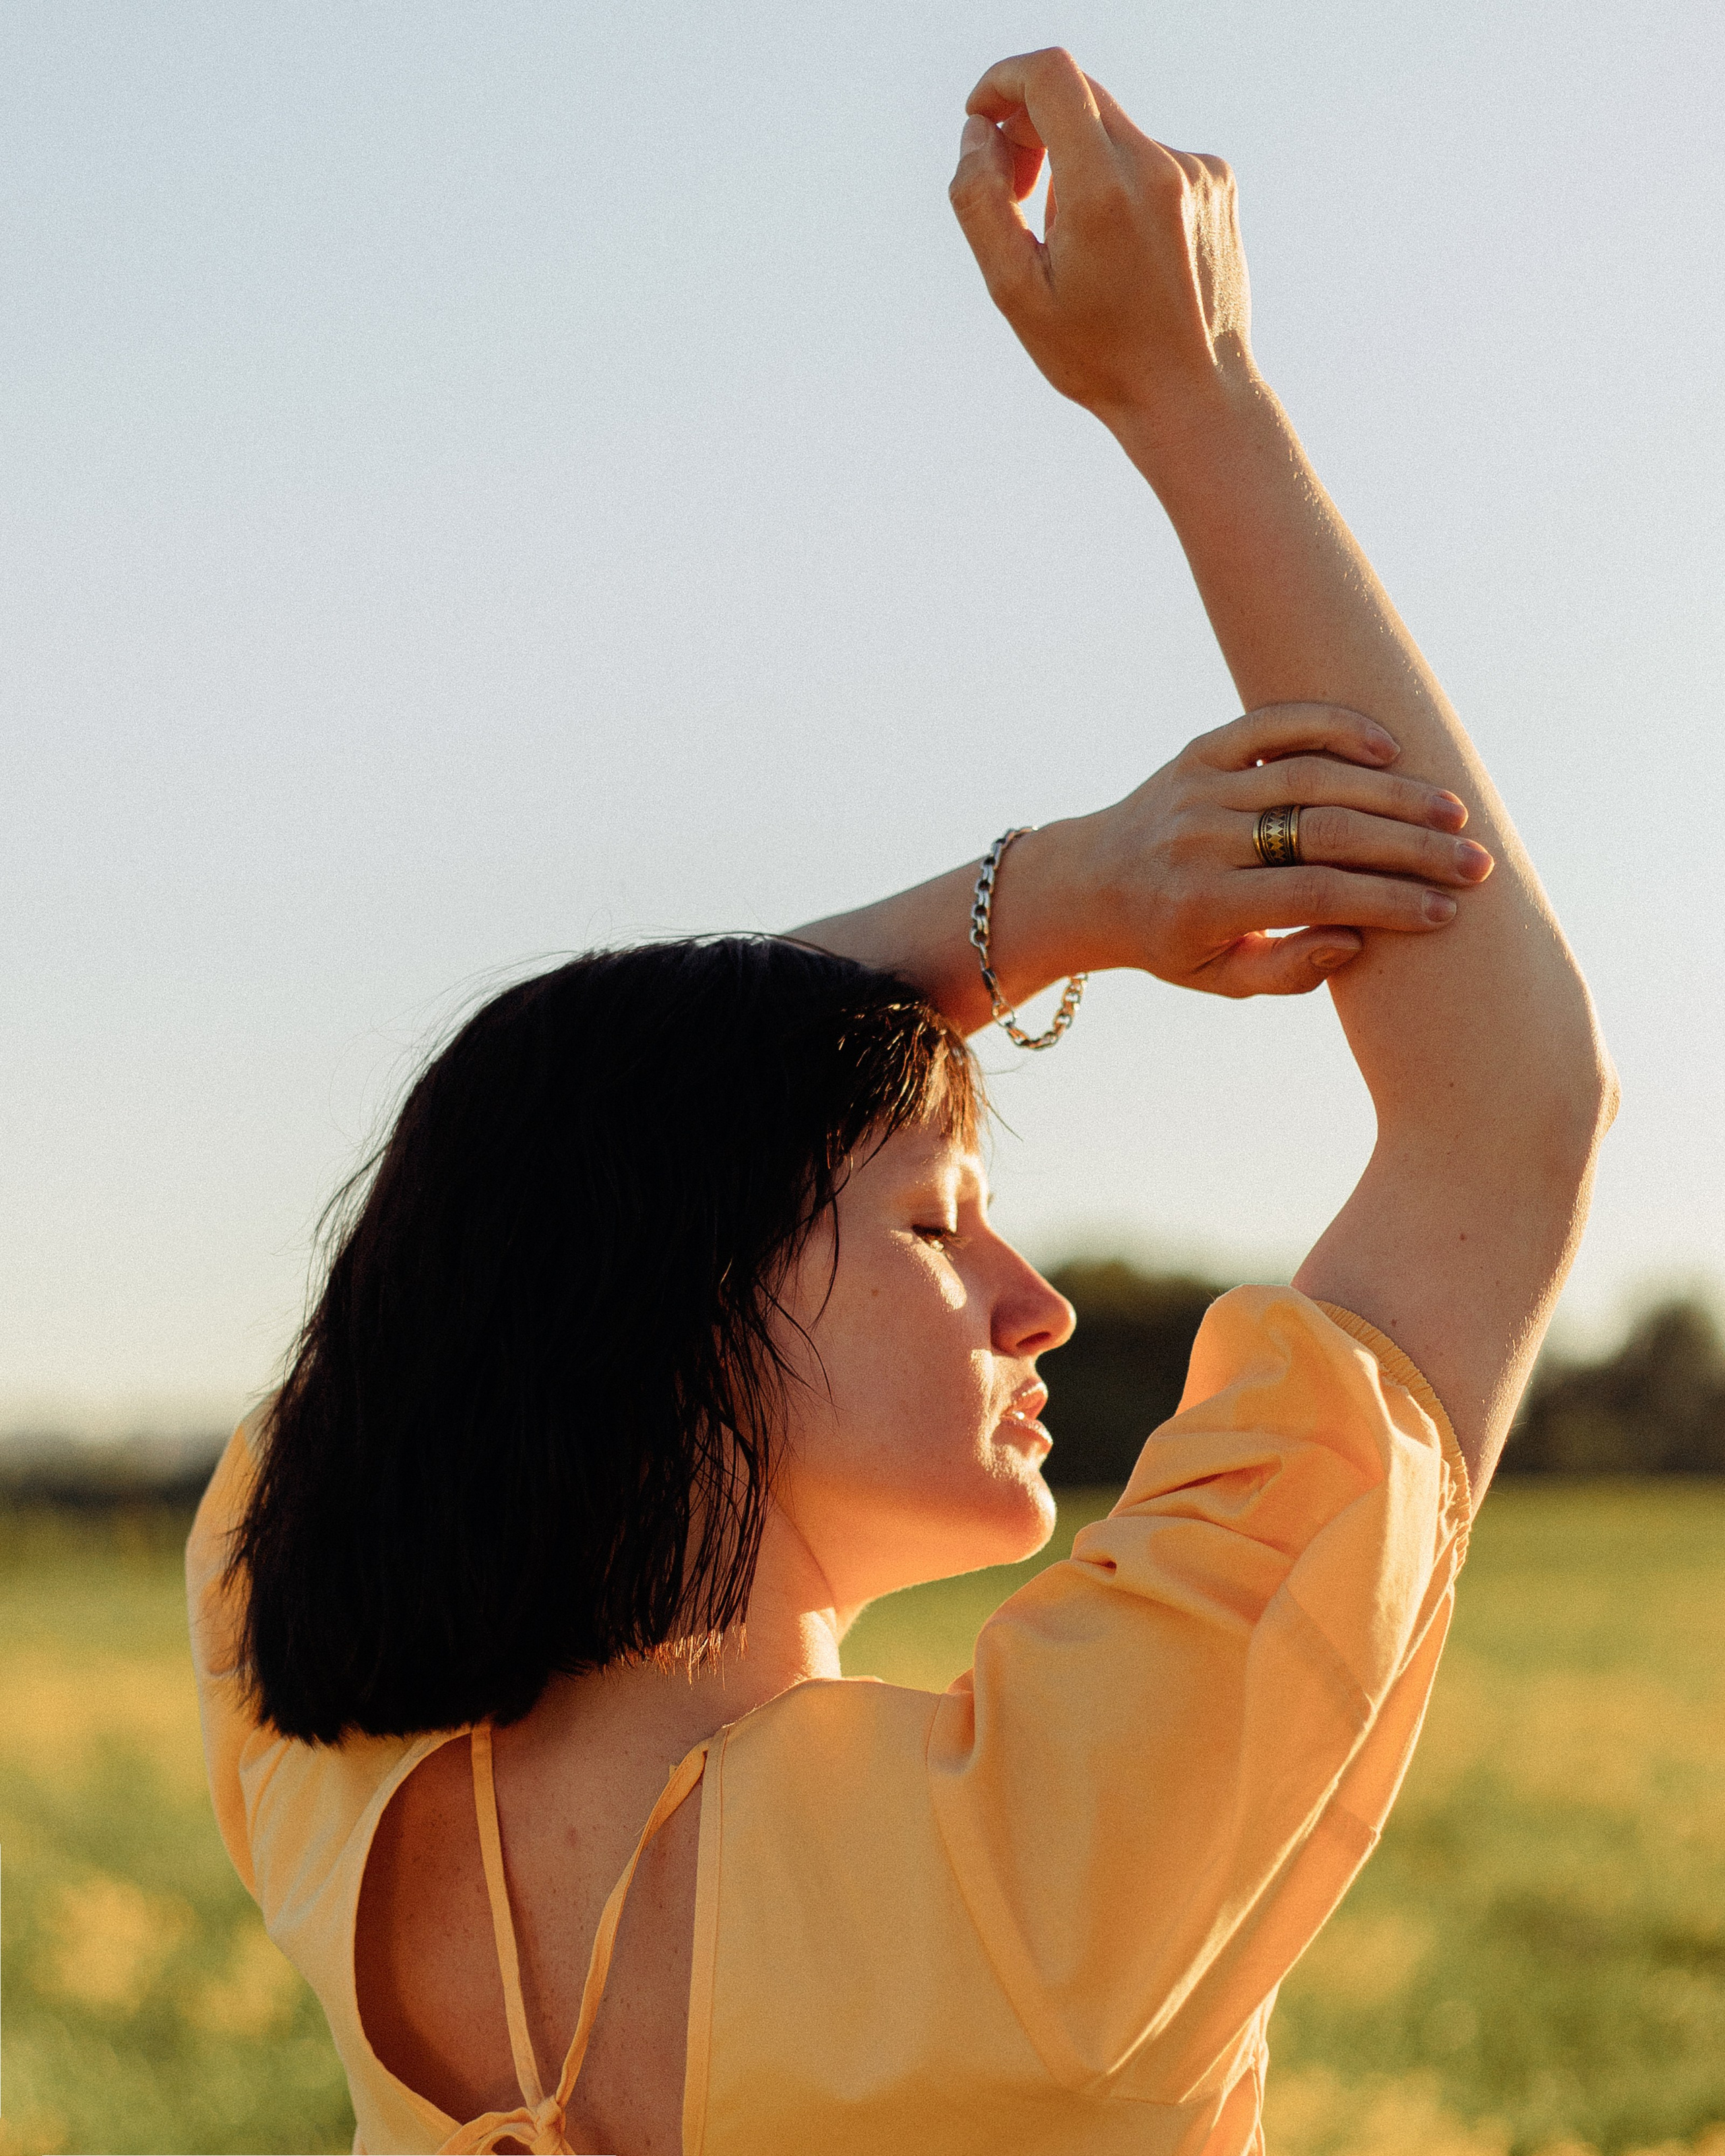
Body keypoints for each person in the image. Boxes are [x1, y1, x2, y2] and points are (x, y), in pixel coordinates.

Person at [185, 47, 1615, 2156]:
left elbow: (532, 1154)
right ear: (664, 1300)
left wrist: (1055, 896)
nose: (1035, 1303)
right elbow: (1511, 1115)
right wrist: (1191, 400)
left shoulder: (310, 1744)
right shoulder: (1039, 1891)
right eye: (942, 1226)